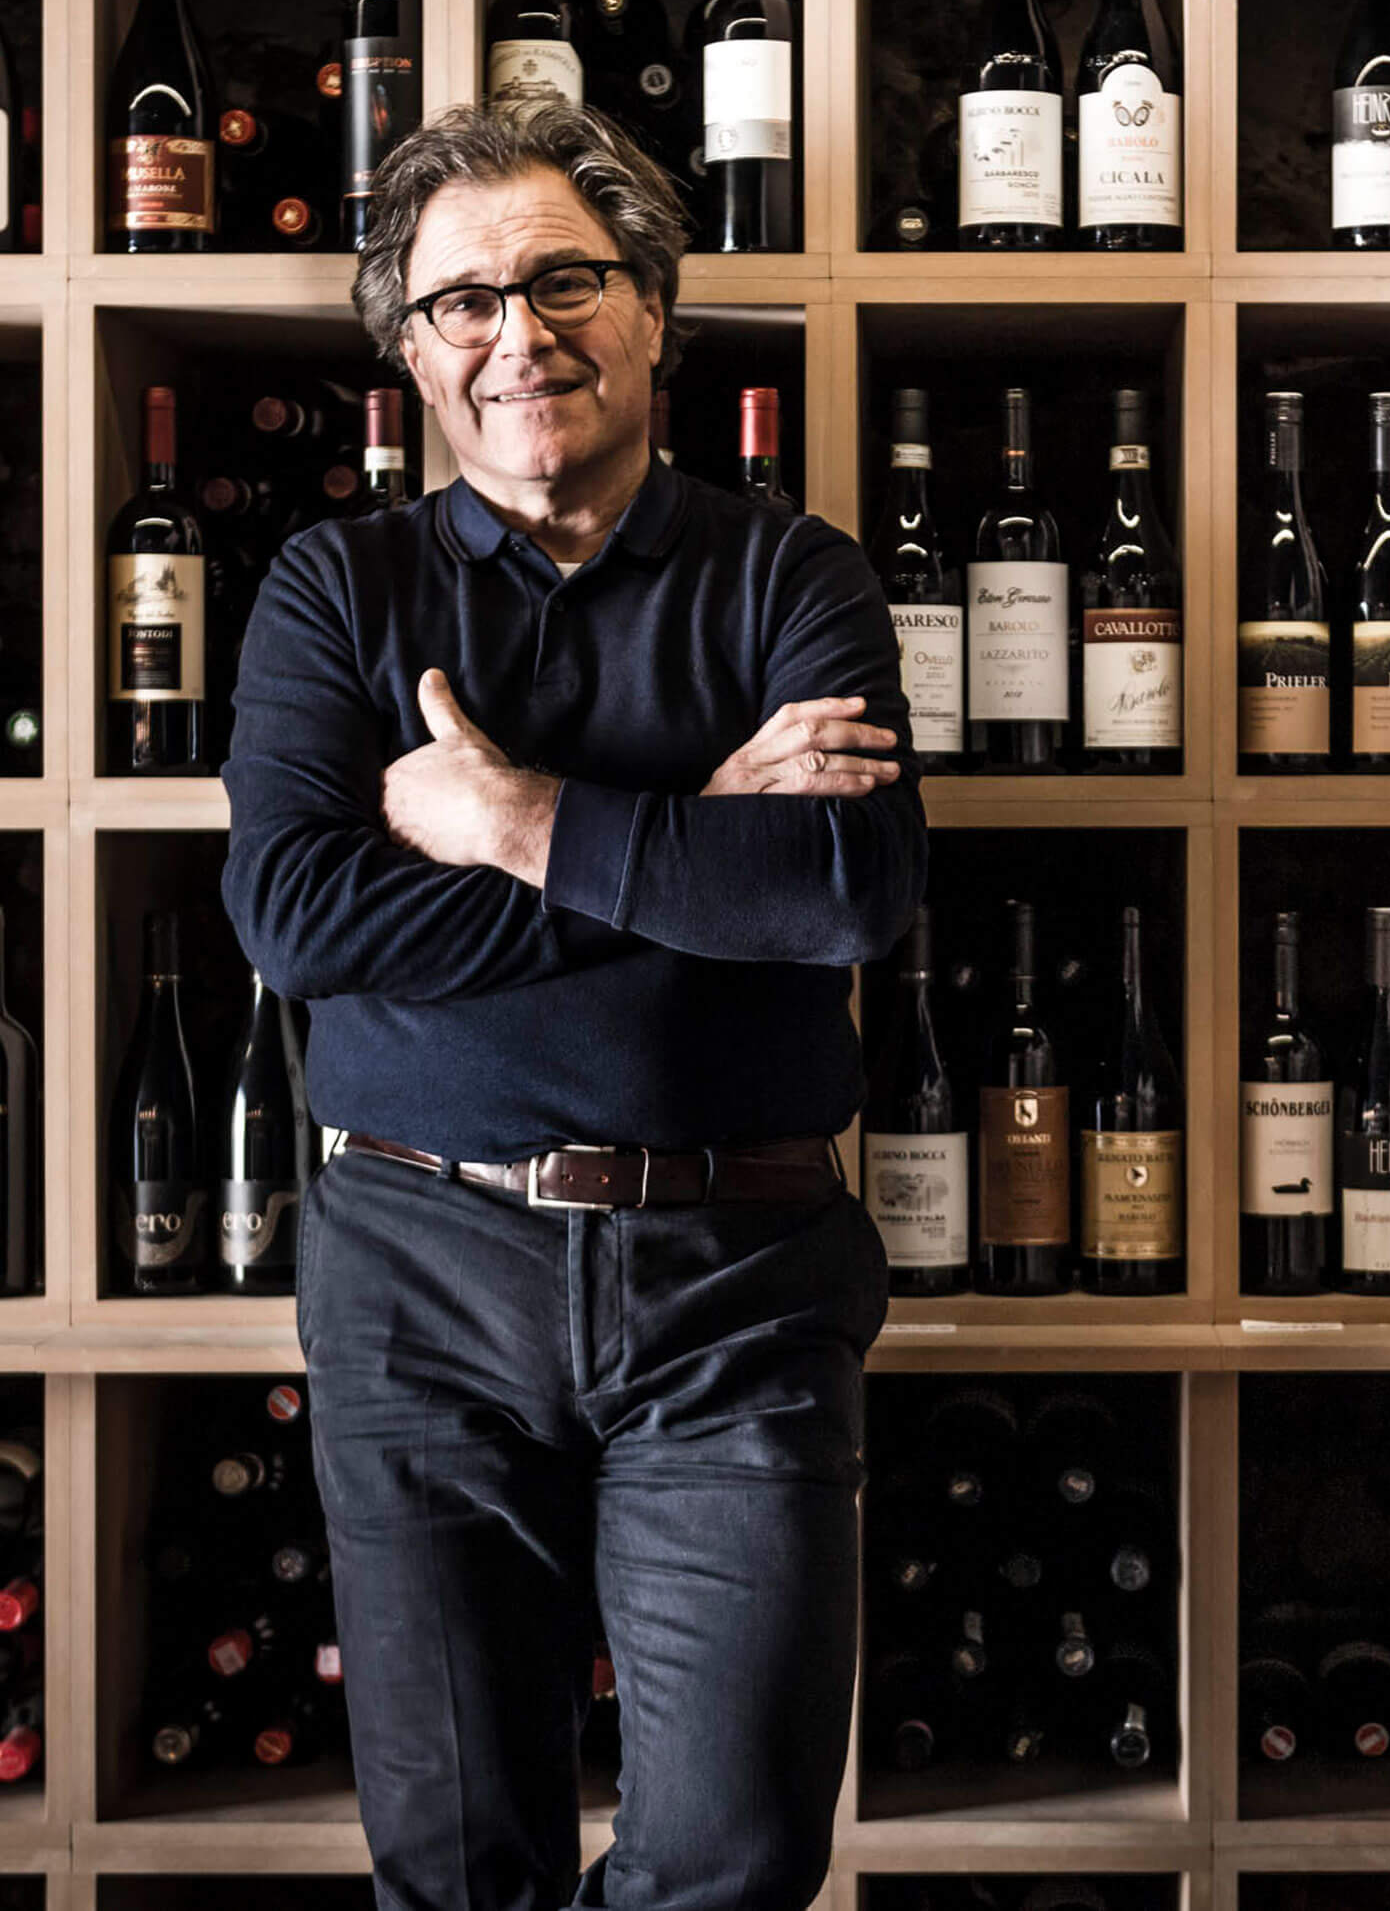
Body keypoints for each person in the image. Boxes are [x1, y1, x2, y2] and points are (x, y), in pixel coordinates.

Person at [219, 101, 925, 1911]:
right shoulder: (337, 589)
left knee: (731, 1861)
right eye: (461, 300)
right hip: (420, 1272)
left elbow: (847, 893)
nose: (516, 334)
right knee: (459, 1867)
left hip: (735, 1283)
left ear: (652, 312)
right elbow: (299, 920)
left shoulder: (794, 574)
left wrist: (509, 820)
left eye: (563, 281)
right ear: (411, 353)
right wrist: (692, 838)